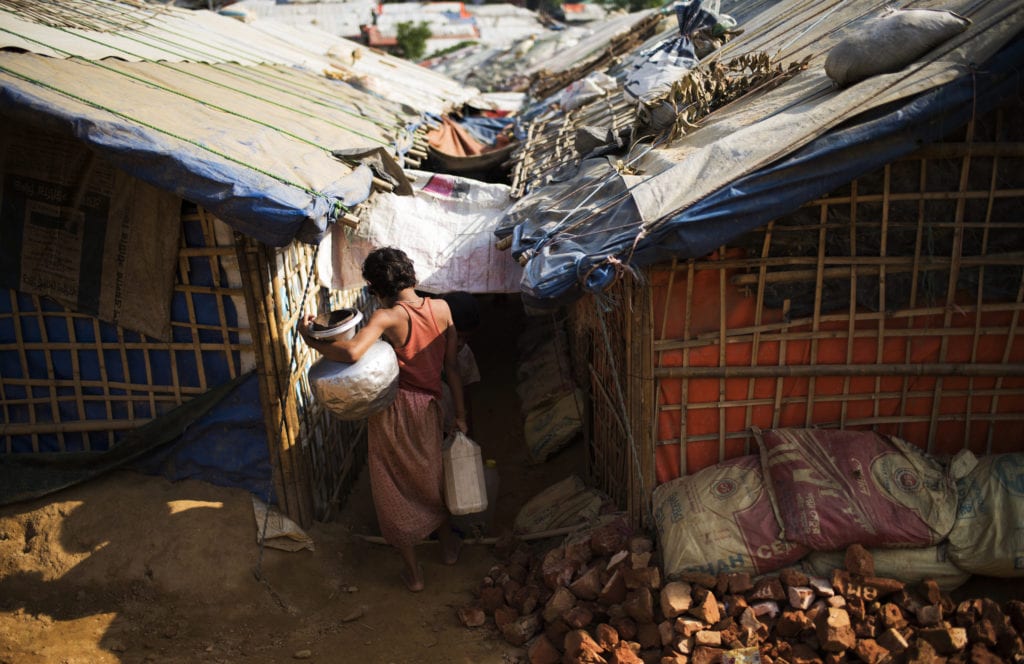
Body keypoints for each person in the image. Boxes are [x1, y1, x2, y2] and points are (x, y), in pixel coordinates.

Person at [299, 247, 466, 592]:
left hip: (394, 408)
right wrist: (461, 415)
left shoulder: (387, 317)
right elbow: (452, 368)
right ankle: (449, 550)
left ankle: (415, 575)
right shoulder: (443, 308)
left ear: (376, 287)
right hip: (431, 406)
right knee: (430, 478)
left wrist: (311, 339)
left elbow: (351, 352)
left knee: (393, 485)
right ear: (410, 274)